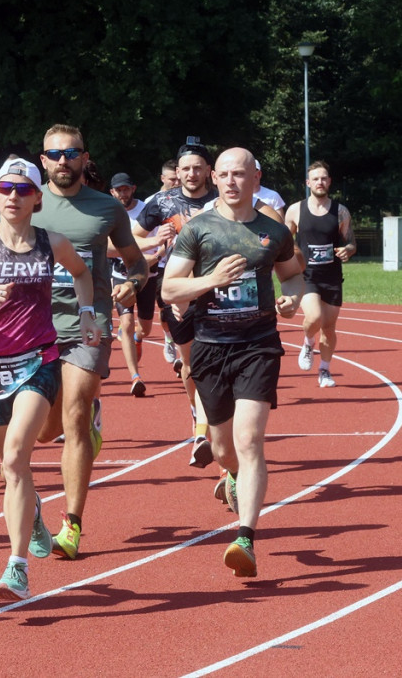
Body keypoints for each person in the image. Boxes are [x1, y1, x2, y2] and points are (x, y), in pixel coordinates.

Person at [0, 157, 99, 599]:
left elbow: (82, 273)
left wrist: (86, 312)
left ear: (36, 199)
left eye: (22, 190)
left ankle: (16, 568)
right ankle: (34, 510)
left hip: (38, 360)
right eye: (6, 188)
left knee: (13, 459)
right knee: (15, 470)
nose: (13, 196)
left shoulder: (52, 242)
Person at [162, 147, 303, 578]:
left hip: (258, 346)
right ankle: (233, 478)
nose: (230, 181)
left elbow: (293, 274)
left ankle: (245, 537)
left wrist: (291, 299)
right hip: (210, 347)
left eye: (238, 174)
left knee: (249, 439)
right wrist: (213, 280)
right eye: (222, 174)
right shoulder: (198, 229)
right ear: (214, 178)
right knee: (224, 449)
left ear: (255, 178)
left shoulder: (273, 231)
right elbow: (169, 289)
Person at [33, 124, 148, 560]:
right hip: (35, 327)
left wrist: (133, 284)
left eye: (71, 153)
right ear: (43, 160)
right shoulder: (26, 204)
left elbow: (137, 262)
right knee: (45, 432)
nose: (63, 160)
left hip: (87, 322)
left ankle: (71, 524)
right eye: (54, 154)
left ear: (84, 158)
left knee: (75, 416)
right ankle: (88, 423)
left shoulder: (107, 208)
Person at [138, 141, 218, 464]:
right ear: (177, 171)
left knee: (212, 362)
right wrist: (154, 240)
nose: (191, 173)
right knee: (191, 365)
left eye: (198, 168)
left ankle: (205, 430)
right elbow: (131, 237)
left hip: (215, 290)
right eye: (186, 168)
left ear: (208, 171)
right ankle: (196, 410)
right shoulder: (162, 202)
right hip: (177, 289)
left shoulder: (221, 199)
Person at [284, 161, 355, 388]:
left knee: (329, 328)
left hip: (332, 277)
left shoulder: (340, 211)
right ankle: (307, 342)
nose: (320, 182)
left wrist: (348, 250)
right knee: (314, 317)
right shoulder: (296, 210)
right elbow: (285, 241)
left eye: (323, 178)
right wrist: (291, 259)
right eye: (315, 179)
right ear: (308, 183)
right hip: (308, 275)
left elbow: (351, 242)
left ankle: (324, 370)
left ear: (329, 181)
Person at [109, 172, 154, 396]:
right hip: (119, 274)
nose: (123, 194)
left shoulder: (147, 211)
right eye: (118, 190)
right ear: (112, 192)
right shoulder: (109, 211)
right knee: (125, 323)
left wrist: (154, 255)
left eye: (126, 189)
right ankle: (135, 377)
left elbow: (156, 244)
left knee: (144, 328)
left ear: (133, 189)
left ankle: (138, 337)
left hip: (146, 273)